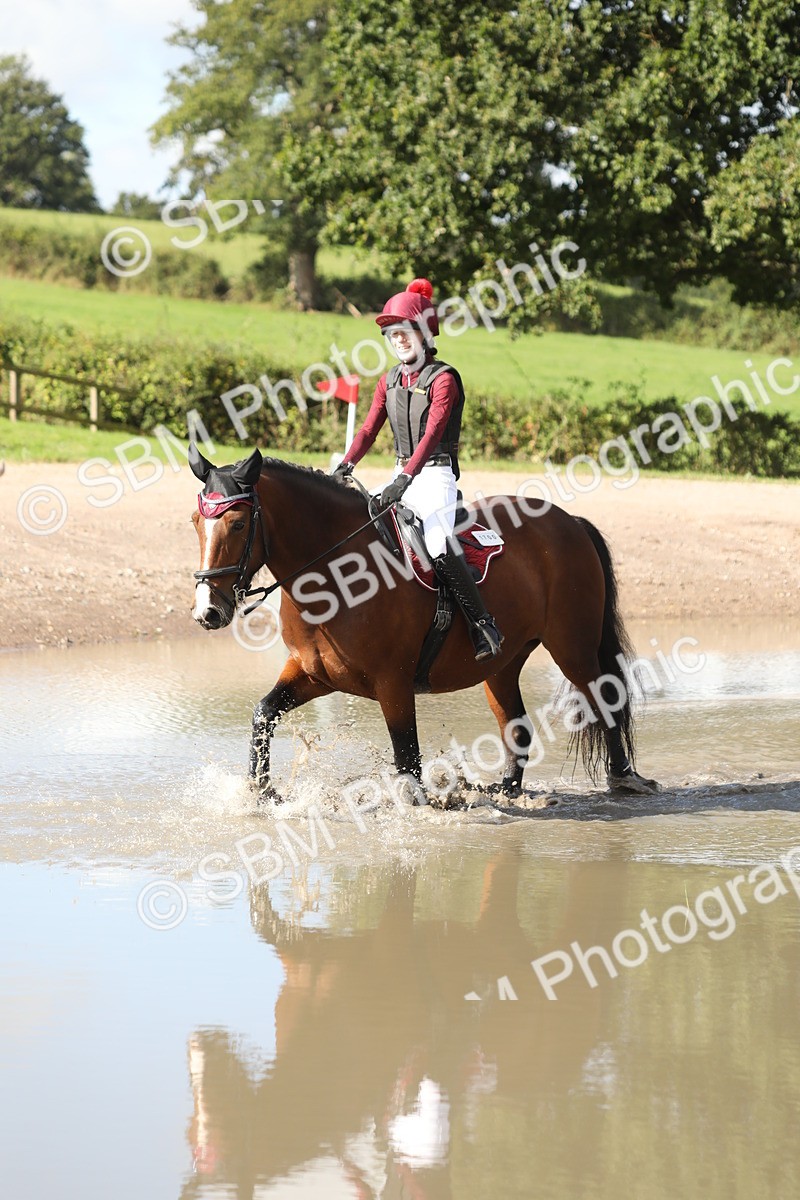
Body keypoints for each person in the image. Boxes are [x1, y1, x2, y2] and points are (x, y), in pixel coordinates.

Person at [331, 278, 503, 662]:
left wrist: (405, 479)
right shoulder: (388, 380)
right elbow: (368, 430)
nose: (399, 340)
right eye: (393, 334)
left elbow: (432, 434)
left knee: (439, 545)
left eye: (405, 331)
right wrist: (346, 465)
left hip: (434, 476)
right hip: (399, 473)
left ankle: (483, 625)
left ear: (424, 332)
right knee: (356, 522)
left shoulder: (443, 379)